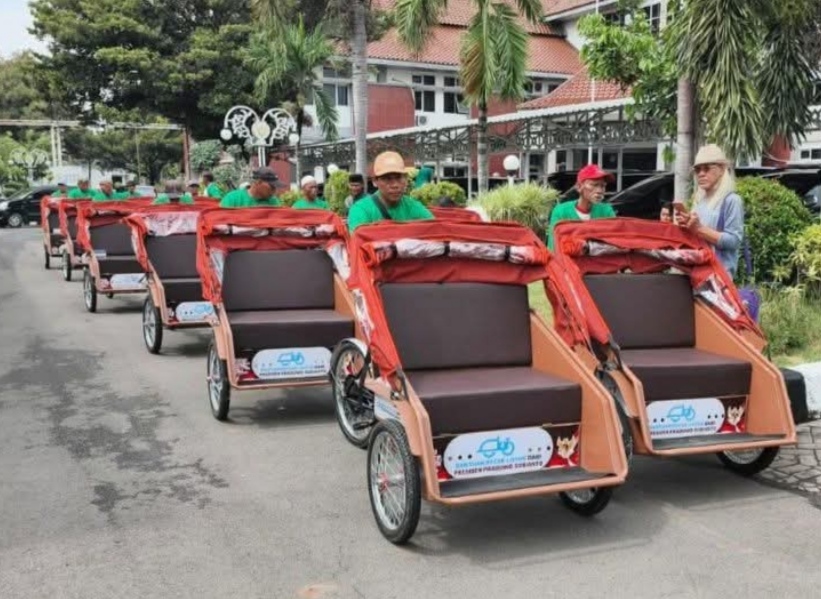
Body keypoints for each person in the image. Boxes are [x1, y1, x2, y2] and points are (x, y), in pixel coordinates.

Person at [661, 144, 744, 278]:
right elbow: (696, 238)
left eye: (707, 168)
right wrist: (687, 225)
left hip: (719, 277)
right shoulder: (700, 201)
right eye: (697, 169)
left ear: (722, 169)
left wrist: (699, 229)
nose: (701, 174)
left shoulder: (732, 200)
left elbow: (734, 241)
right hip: (698, 272)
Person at [347, 151, 433, 232]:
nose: (395, 185)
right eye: (387, 179)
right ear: (375, 181)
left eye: (399, 177)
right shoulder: (361, 210)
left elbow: (434, 229)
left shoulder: (413, 206)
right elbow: (358, 241)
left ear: (406, 178)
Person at [546, 164, 616, 251]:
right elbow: (554, 247)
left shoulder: (606, 211)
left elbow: (614, 242)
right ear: (579, 187)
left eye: (602, 186)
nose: (599, 190)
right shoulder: (561, 211)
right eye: (594, 185)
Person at [219, 167, 285, 208]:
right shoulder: (233, 198)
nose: (274, 191)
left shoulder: (273, 201)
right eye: (272, 187)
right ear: (258, 182)